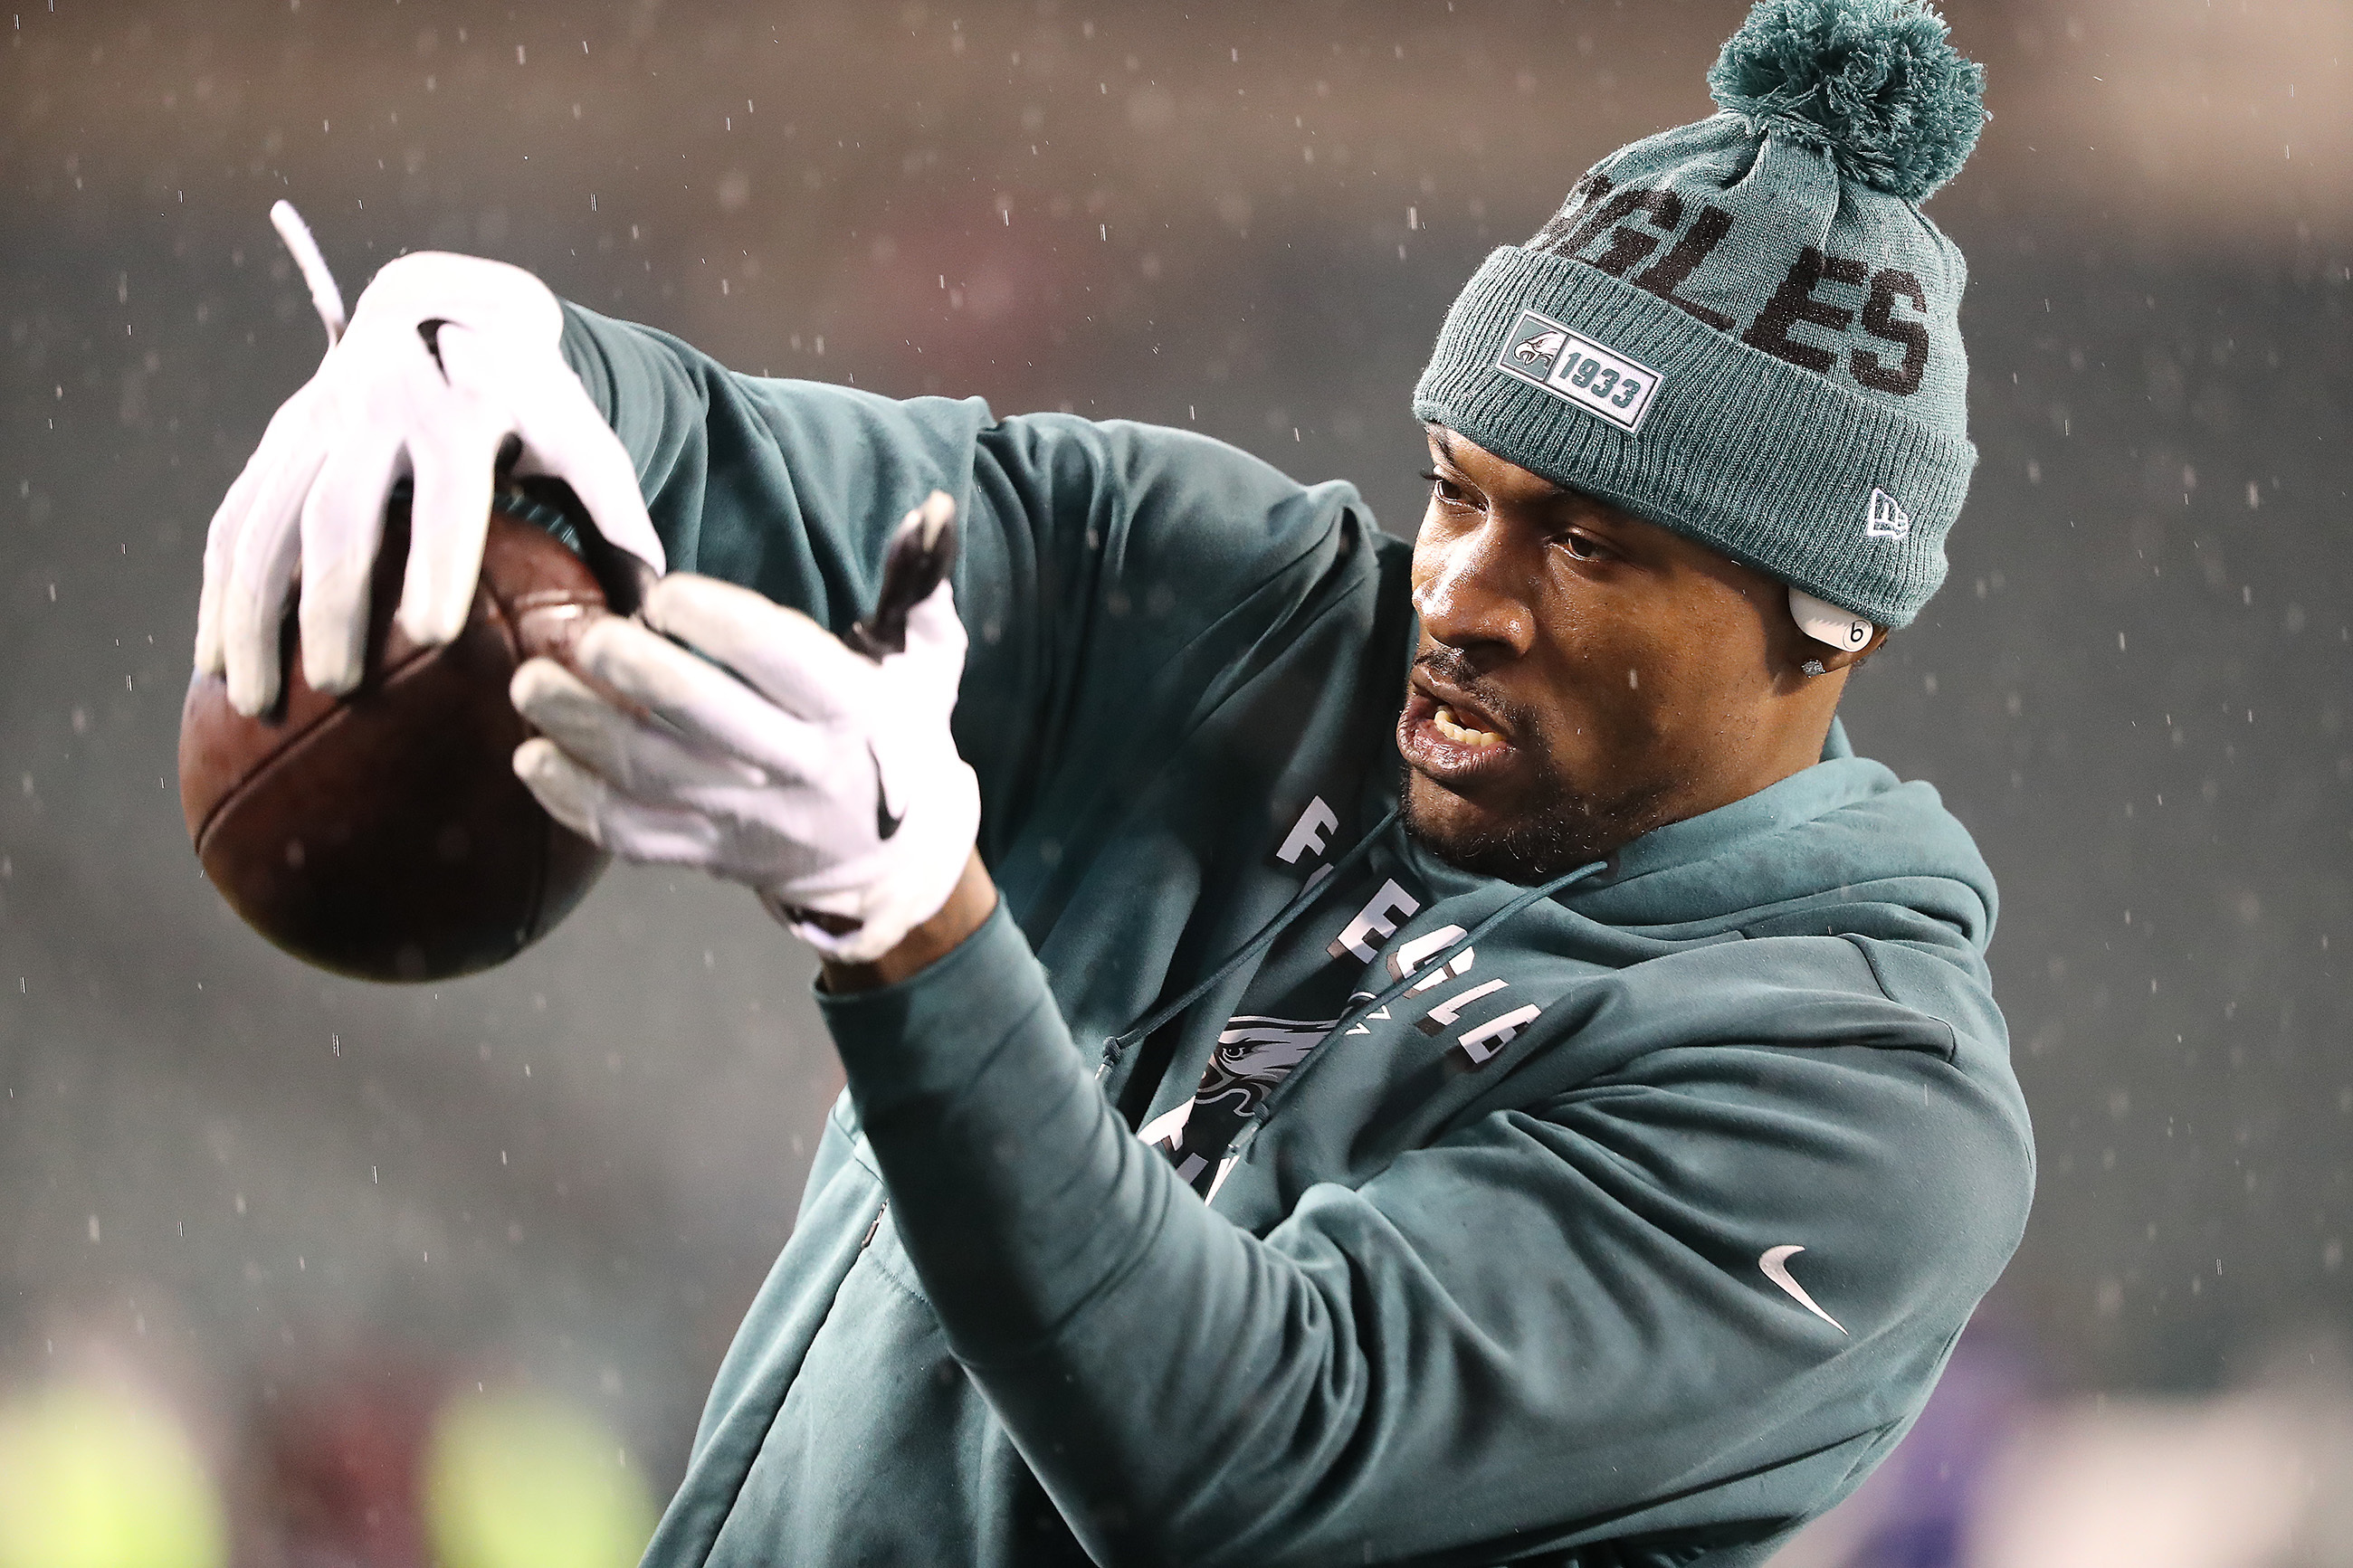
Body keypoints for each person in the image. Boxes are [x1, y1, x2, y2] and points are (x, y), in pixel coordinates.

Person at [195, 2, 2033, 1562]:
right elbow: (802, 491)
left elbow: (1247, 1459)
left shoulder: (1858, 1107)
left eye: (1585, 544)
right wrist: (530, 368)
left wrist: (918, 929)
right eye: (1457, 490)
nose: (1458, 595)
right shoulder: (1264, 624)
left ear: (1823, 617)